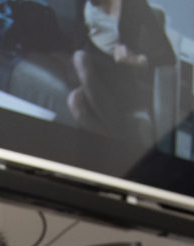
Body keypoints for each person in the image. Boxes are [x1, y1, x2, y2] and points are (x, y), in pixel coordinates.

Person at [67, 0, 175, 144]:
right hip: (87, 68)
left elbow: (168, 54)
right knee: (79, 58)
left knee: (76, 102)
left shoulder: (134, 4)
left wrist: (135, 59)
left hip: (116, 73)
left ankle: (116, 143)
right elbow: (79, 38)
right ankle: (123, 141)